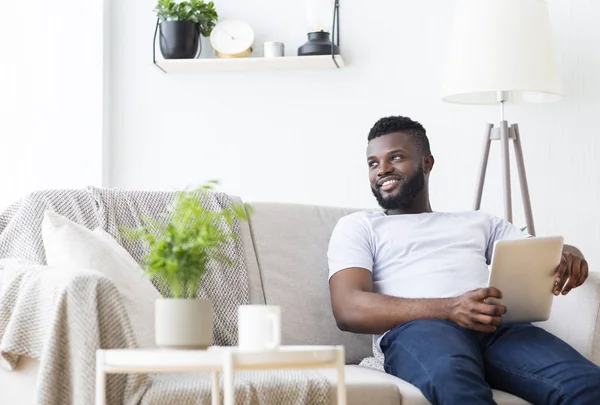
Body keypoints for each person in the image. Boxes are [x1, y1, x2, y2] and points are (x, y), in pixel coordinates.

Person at [327, 116, 600, 405]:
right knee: (457, 387)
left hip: (499, 328)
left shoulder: (478, 222)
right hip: (421, 329)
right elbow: (348, 308)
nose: (382, 169)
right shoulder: (358, 226)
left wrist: (571, 254)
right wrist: (450, 308)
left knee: (587, 386)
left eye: (395, 157)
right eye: (373, 163)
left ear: (427, 163)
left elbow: (539, 253)